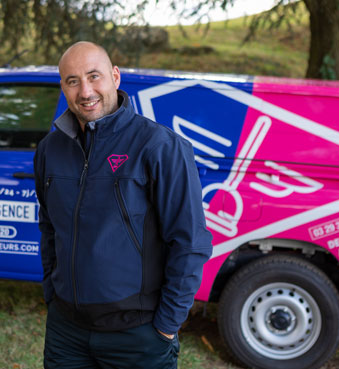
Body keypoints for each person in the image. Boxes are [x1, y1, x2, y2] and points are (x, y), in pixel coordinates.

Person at [34, 41, 213, 369]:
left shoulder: (159, 147)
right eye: (73, 81)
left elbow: (190, 242)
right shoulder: (50, 149)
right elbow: (49, 227)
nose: (85, 91)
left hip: (138, 334)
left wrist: (166, 325)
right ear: (63, 86)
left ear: (115, 76)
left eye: (94, 76)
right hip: (67, 330)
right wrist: (52, 295)